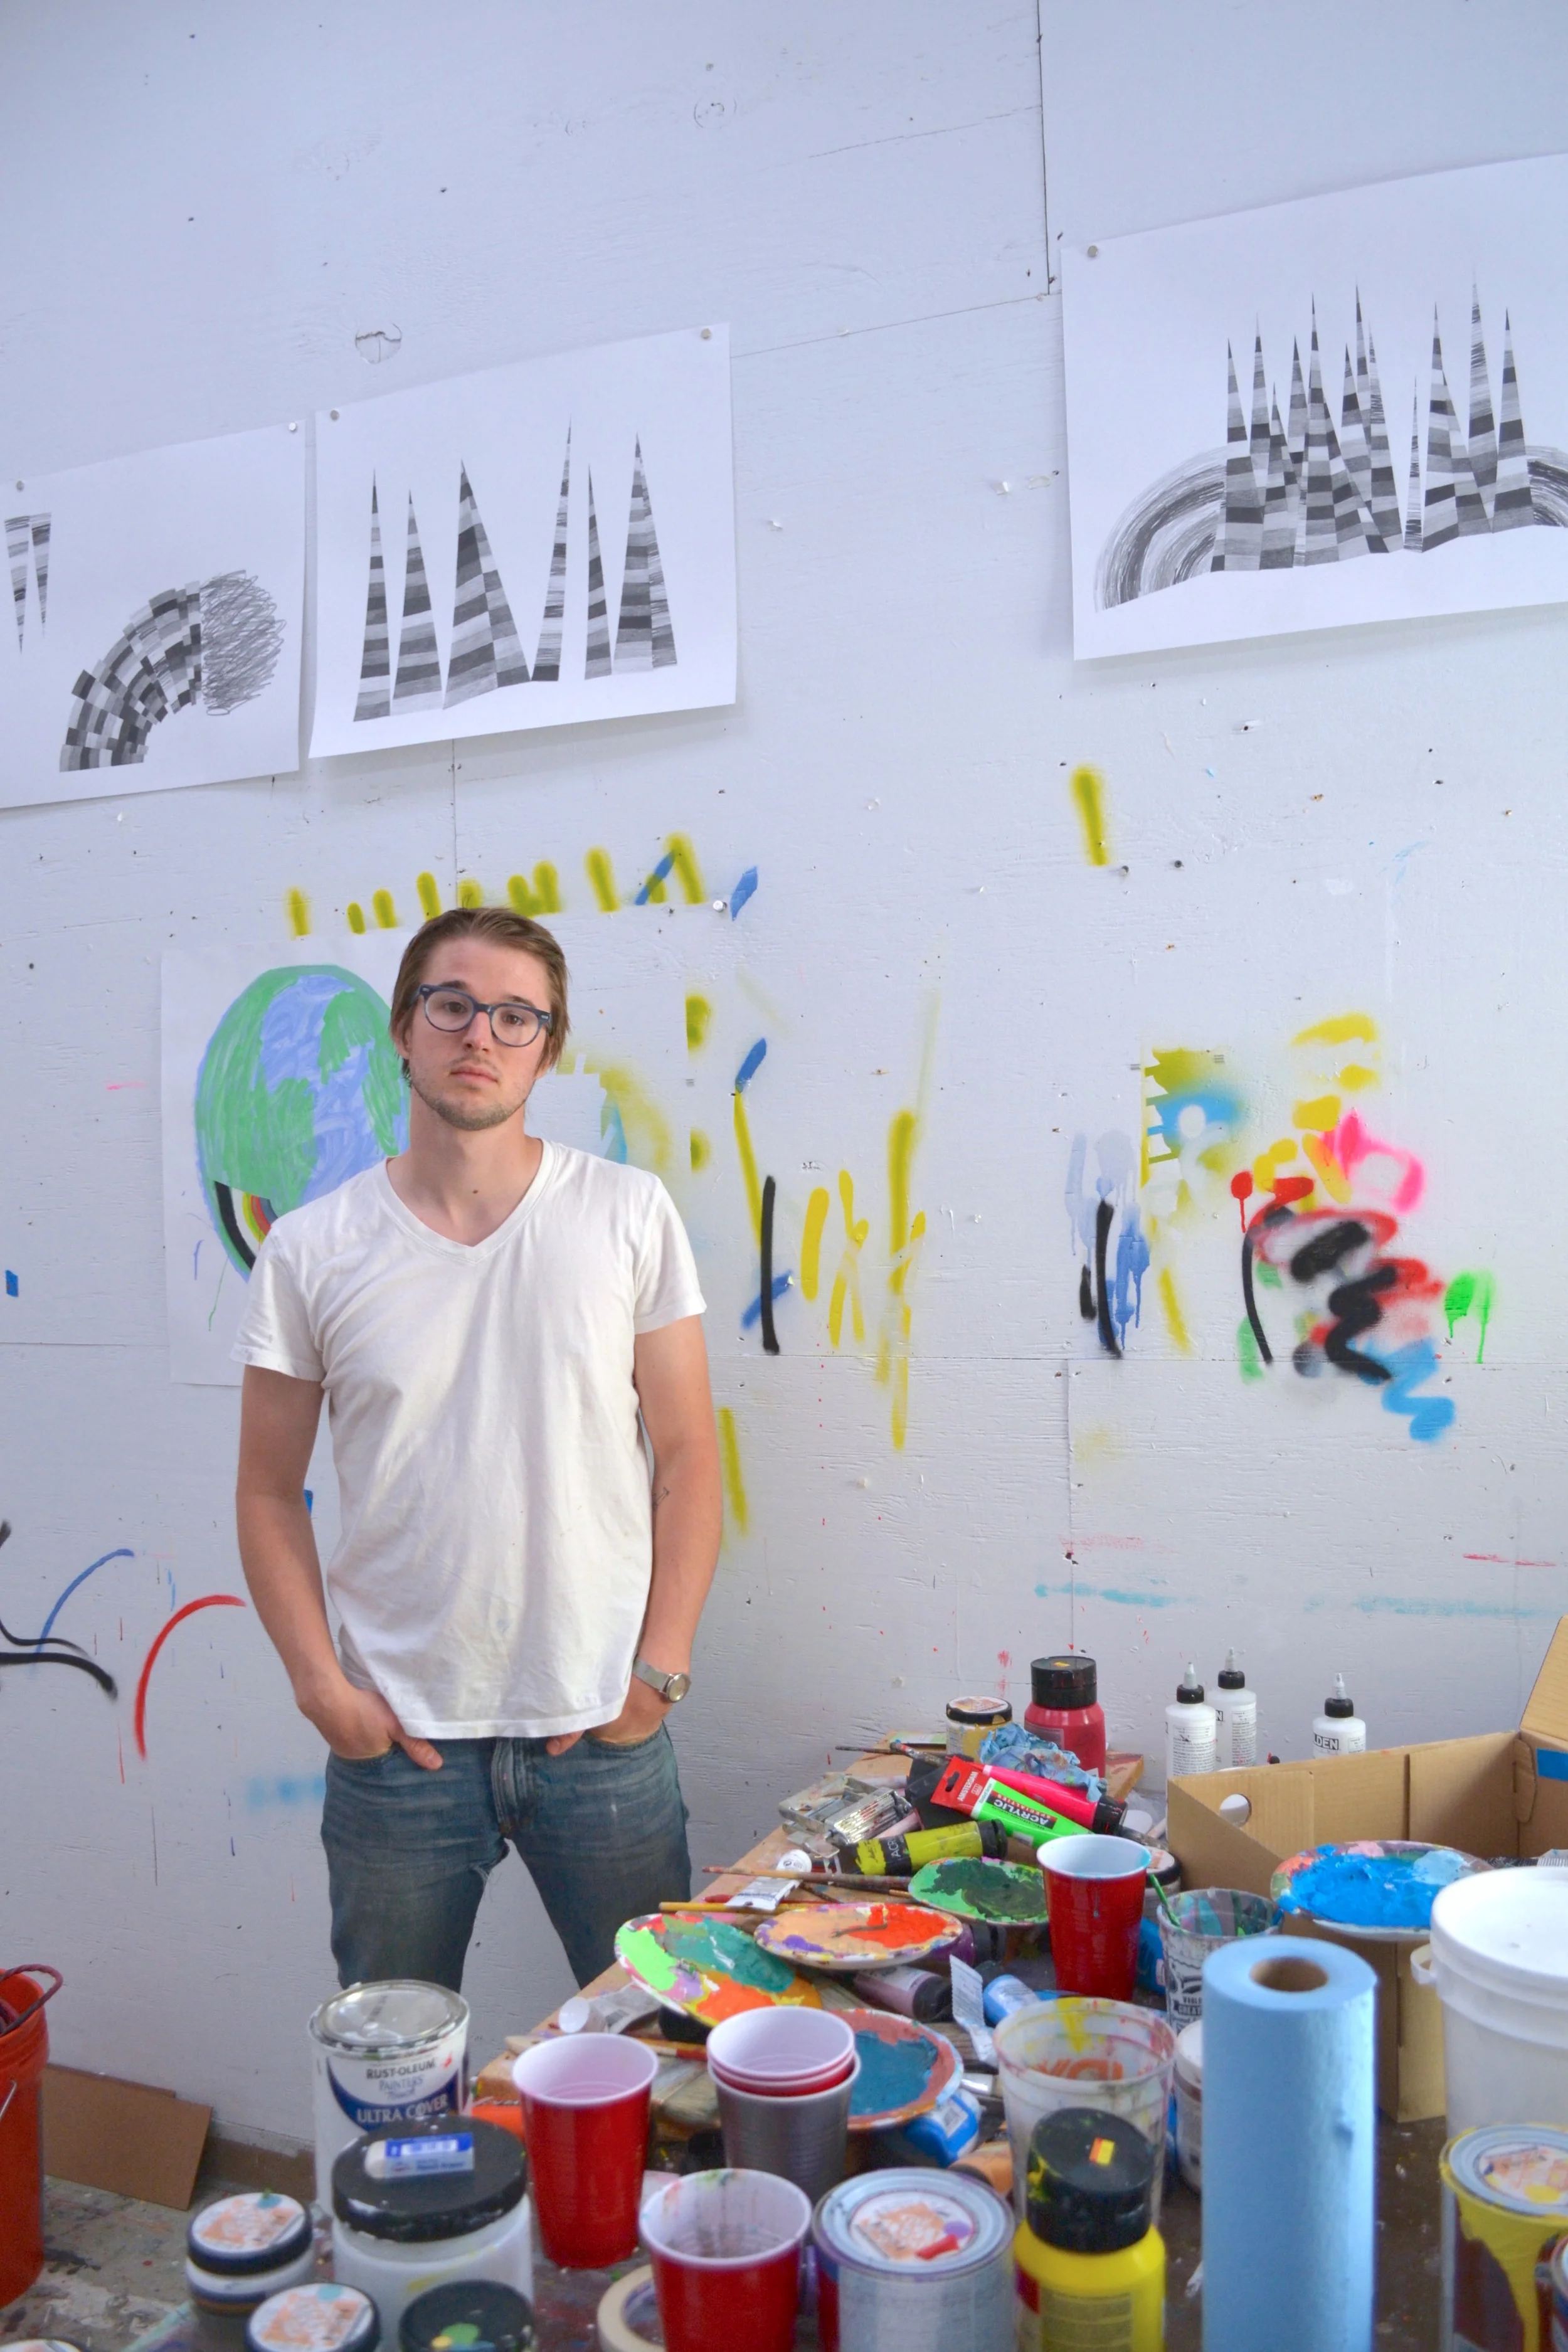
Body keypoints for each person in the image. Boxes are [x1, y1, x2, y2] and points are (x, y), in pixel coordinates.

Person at [233, 906, 721, 1990]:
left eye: (514, 1015)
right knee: (396, 2064)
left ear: (549, 1045)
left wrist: (660, 1670)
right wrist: (321, 1689)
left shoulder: (627, 1213)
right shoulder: (311, 1249)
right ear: (403, 1028)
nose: (479, 1035)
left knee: (659, 2042)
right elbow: (267, 1491)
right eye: (451, 1004)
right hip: (397, 1743)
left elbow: (689, 1456)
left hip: (601, 1726)